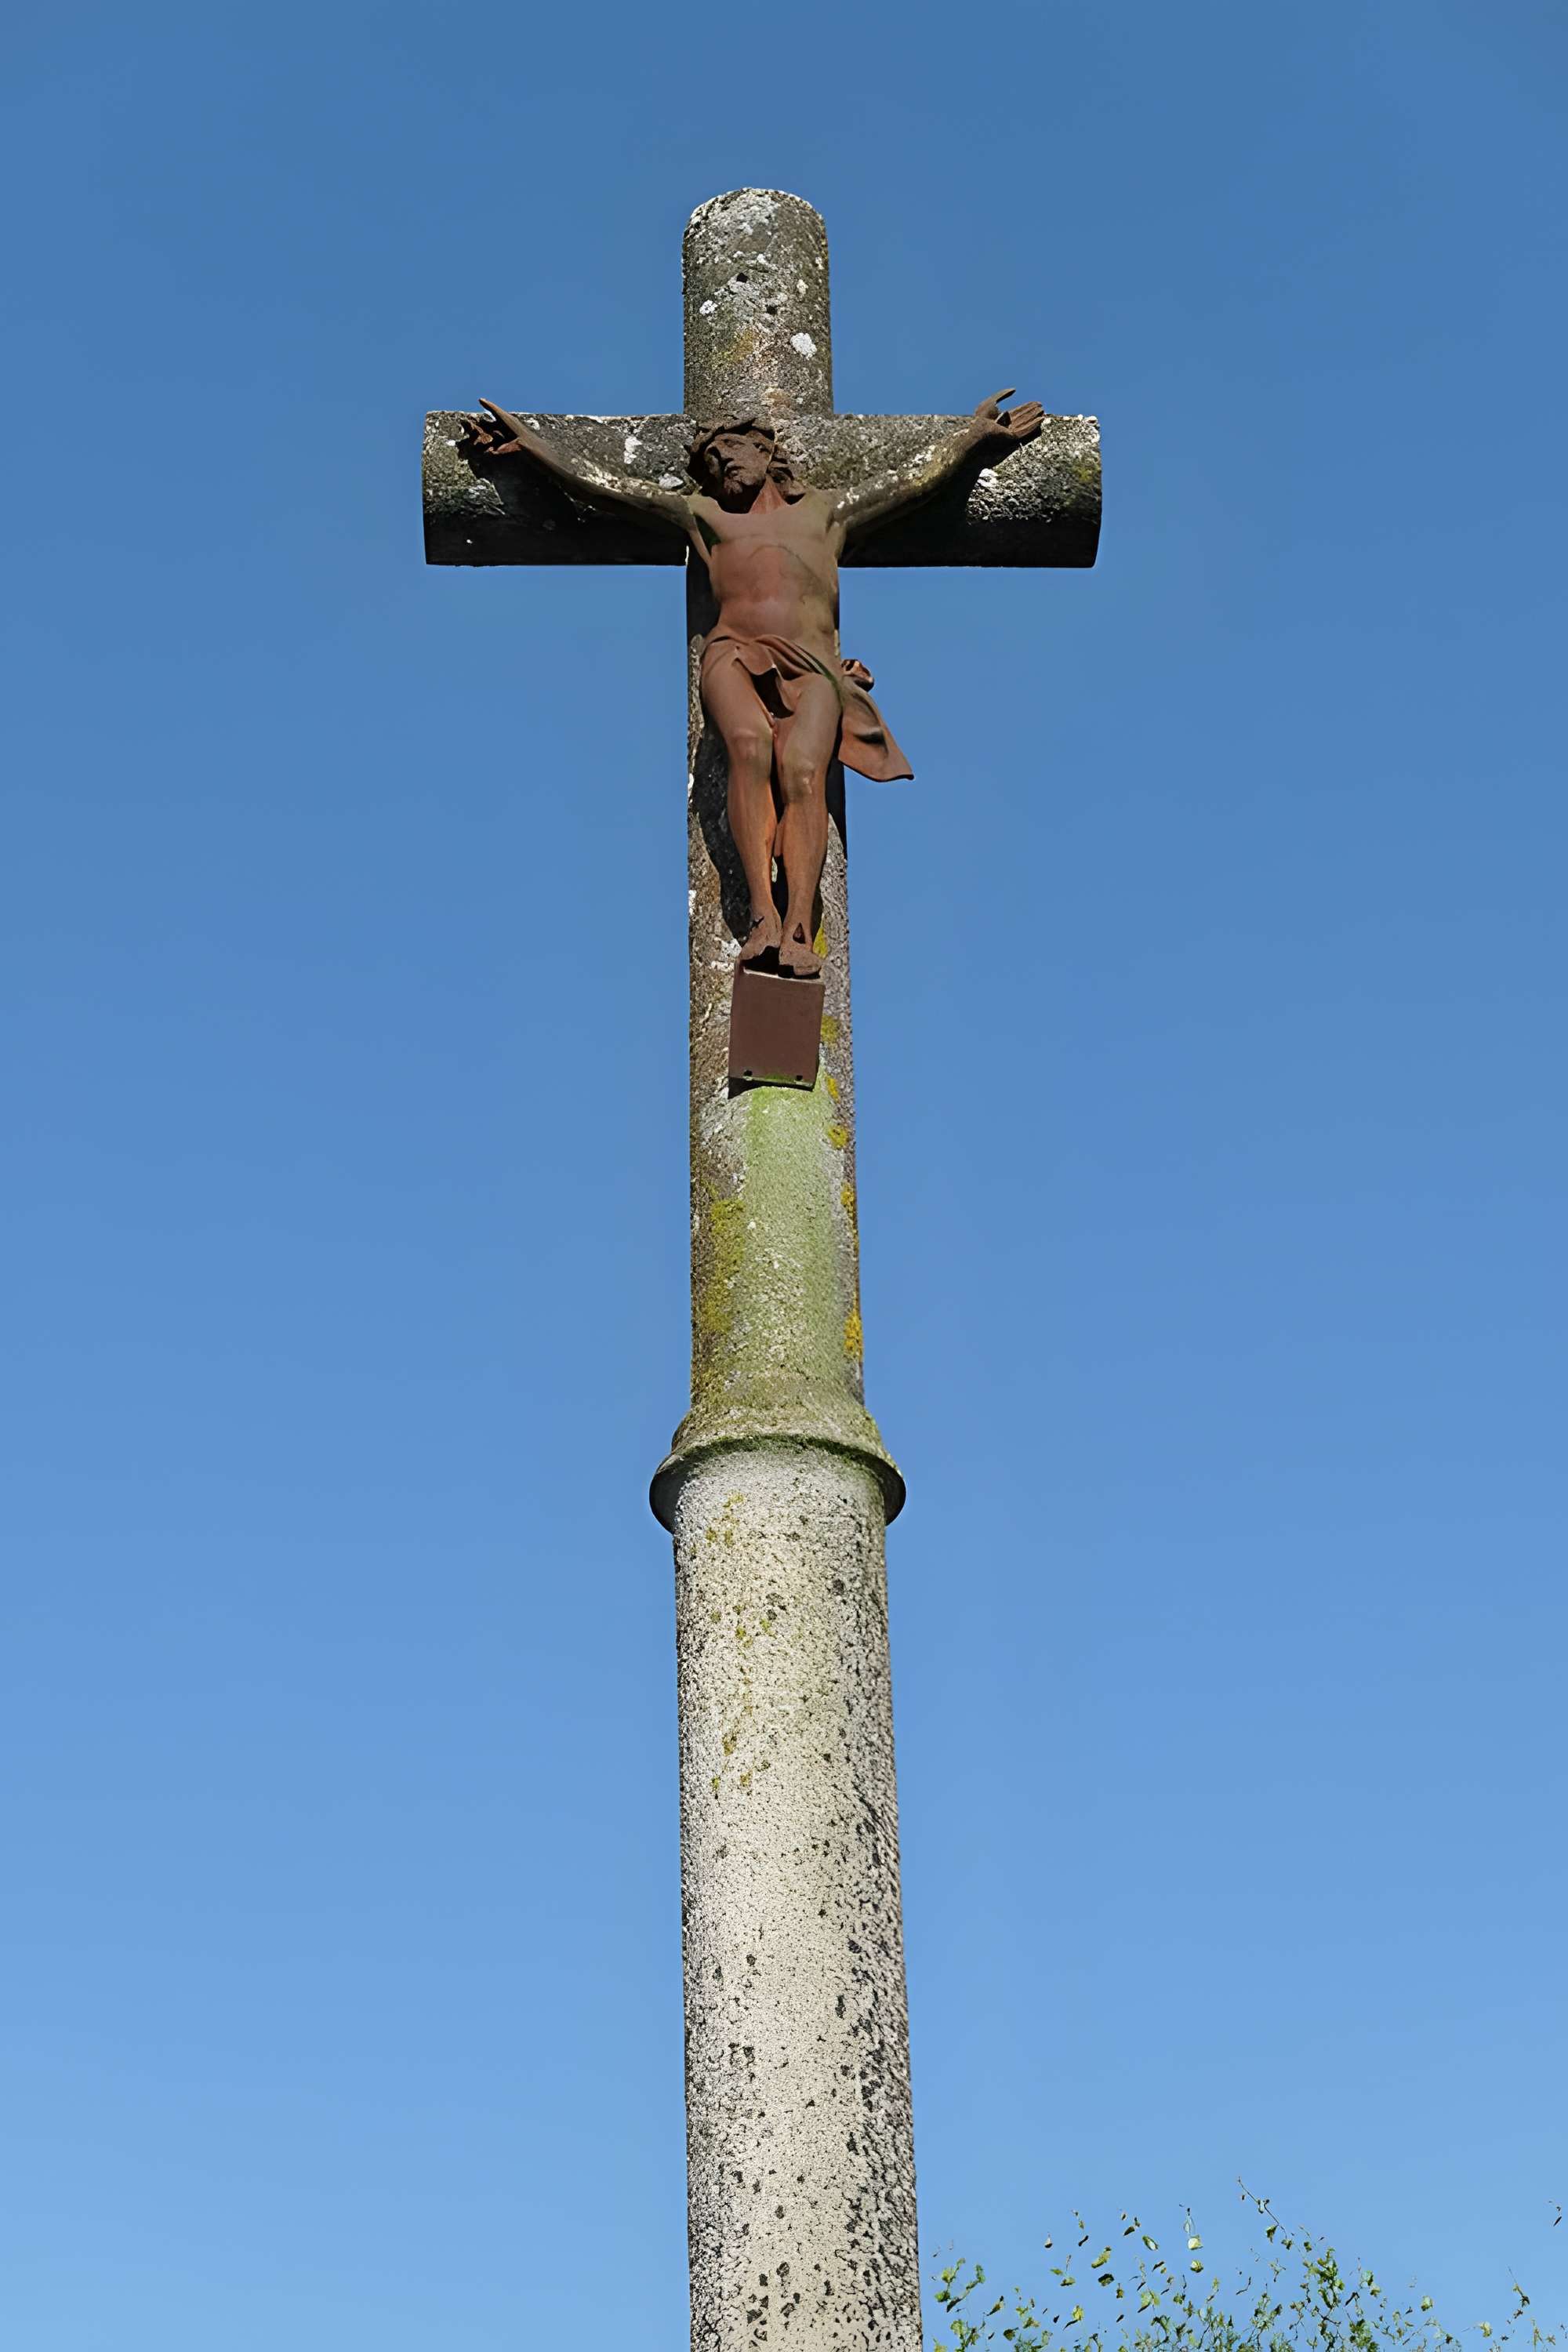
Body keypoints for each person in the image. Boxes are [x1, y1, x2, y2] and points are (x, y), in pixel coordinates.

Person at [461, 390, 1044, 974]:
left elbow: (912, 482)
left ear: (765, 450)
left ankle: (797, 928)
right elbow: (610, 488)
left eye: (731, 450)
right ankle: (762, 915)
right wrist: (534, 448)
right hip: (733, 652)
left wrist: (971, 439)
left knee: (803, 772)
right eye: (711, 461)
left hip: (810, 663)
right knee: (748, 746)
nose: (722, 466)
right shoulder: (704, 516)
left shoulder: (827, 513)